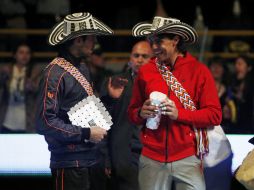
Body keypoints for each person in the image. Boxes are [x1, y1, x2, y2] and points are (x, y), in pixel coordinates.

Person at [128, 16, 222, 190]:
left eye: (159, 41)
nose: (154, 47)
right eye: (151, 41)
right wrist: (140, 113)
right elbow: (132, 112)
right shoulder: (146, 71)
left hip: (187, 157)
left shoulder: (199, 71)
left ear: (175, 40)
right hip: (151, 157)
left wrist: (180, 114)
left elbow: (215, 115)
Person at [35, 12, 113, 190]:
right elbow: (44, 122)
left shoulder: (83, 67)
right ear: (78, 40)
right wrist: (86, 133)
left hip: (93, 159)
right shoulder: (54, 73)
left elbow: (87, 112)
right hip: (69, 163)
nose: (95, 43)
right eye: (92, 38)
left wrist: (108, 98)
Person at [104, 40, 153, 190]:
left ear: (153, 59)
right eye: (136, 55)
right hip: (123, 157)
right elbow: (102, 122)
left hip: (153, 155)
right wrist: (106, 158)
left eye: (144, 56)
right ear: (130, 59)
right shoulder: (116, 82)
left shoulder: (162, 84)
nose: (139, 60)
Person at [0, 42, 40, 133]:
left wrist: (33, 87)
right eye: (21, 52)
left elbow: (41, 94)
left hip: (27, 121)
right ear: (14, 55)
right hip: (6, 120)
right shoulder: (6, 70)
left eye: (27, 53)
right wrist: (2, 77)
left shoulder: (35, 72)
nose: (24, 55)